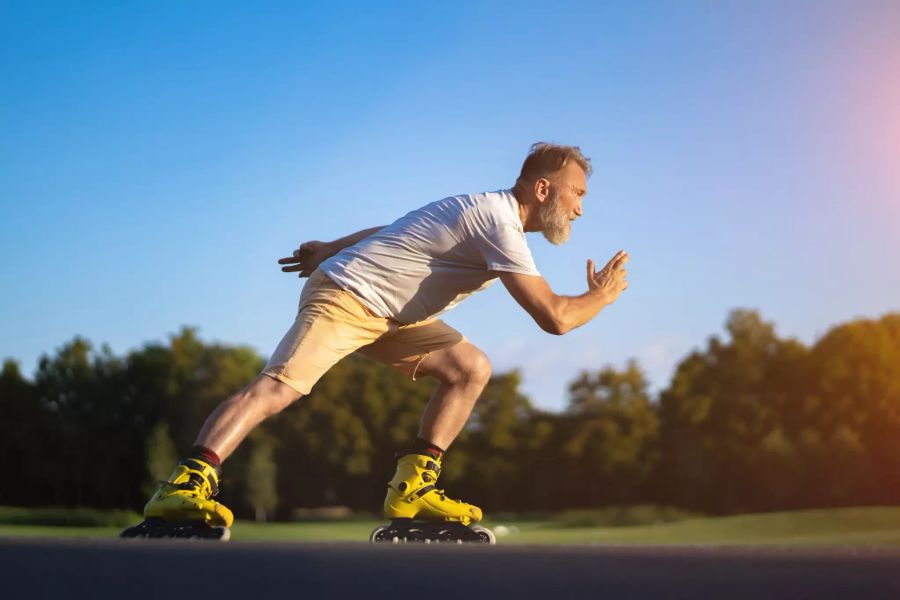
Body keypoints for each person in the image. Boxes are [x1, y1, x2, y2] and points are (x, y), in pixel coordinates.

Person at [142, 142, 629, 531]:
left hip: (392, 316)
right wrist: (603, 296)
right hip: (348, 296)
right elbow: (555, 317)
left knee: (468, 369)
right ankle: (184, 485)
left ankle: (412, 489)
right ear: (544, 190)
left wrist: (332, 245)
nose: (581, 209)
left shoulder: (486, 212)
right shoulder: (499, 224)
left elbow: (394, 230)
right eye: (578, 194)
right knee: (278, 388)